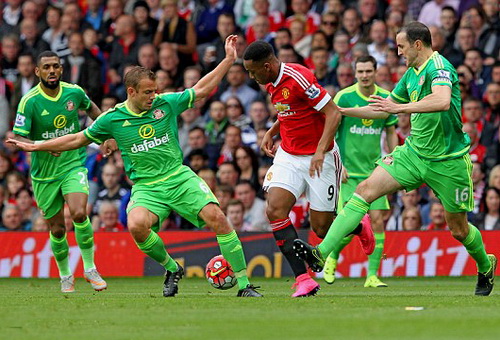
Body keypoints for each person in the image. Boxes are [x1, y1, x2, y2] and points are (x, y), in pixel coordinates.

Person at [9, 36, 262, 298]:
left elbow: (201, 90)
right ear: (131, 92)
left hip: (178, 177)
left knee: (218, 218)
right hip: (146, 187)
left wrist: (229, 59)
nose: (154, 96)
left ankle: (244, 285)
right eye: (148, 92)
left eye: (155, 91)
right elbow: (77, 138)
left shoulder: (166, 103)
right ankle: (172, 268)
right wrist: (36, 146)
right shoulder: (113, 118)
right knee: (136, 225)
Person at [293, 22, 497, 296]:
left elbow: (442, 101)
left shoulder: (439, 68)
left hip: (448, 161)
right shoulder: (410, 74)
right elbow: (381, 110)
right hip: (413, 154)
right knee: (364, 191)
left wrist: (398, 107)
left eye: (401, 46)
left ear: (417, 44)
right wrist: (338, 110)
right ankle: (320, 253)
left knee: (458, 229)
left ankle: (485, 265)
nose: (398, 51)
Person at [243, 40, 372, 297]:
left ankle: (359, 225)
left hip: (320, 158)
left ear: (267, 66)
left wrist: (320, 151)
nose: (250, 76)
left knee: (321, 229)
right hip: (289, 156)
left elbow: (333, 114)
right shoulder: (269, 82)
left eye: (253, 71)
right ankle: (303, 278)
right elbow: (290, 111)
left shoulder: (299, 78)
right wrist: (272, 130)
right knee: (275, 210)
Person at [11, 51, 108, 293]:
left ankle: (90, 268)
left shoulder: (73, 92)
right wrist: (41, 146)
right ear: (37, 72)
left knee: (78, 213)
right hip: (44, 173)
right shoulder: (29, 101)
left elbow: (92, 108)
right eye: (46, 67)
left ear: (61, 69)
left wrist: (105, 134)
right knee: (56, 229)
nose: (52, 71)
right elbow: (19, 135)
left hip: (72, 162)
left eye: (56, 66)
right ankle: (65, 274)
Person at [323, 55, 399, 288]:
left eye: (368, 71)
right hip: (347, 173)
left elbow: (390, 131)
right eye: (360, 71)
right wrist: (339, 165)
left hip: (374, 172)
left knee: (376, 221)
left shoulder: (386, 97)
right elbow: (331, 134)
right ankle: (332, 258)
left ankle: (372, 276)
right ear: (355, 73)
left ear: (376, 72)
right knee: (349, 224)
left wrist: (394, 159)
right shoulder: (344, 97)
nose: (365, 75)